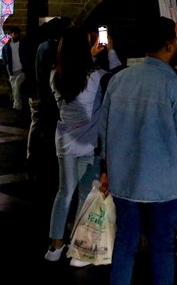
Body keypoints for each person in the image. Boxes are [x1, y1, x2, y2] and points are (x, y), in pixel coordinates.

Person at [98, 15, 177, 285]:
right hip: (164, 186)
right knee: (163, 247)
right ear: (170, 45)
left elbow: (105, 130)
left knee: (124, 244)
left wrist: (106, 169)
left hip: (125, 180)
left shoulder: (118, 81)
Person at [43, 26, 109, 266]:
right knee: (85, 194)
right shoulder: (98, 76)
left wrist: (89, 56)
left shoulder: (54, 74)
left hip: (65, 142)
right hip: (89, 145)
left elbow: (76, 73)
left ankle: (55, 245)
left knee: (64, 192)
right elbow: (110, 76)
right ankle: (78, 246)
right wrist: (108, 52)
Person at [27, 17, 70, 181]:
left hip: (39, 93)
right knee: (43, 127)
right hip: (46, 95)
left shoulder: (41, 46)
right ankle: (39, 159)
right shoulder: (52, 48)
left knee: (38, 125)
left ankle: (33, 158)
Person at [1, 25, 29, 110]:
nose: (15, 35)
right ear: (11, 34)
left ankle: (16, 104)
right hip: (12, 70)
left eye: (16, 34)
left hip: (21, 69)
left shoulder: (22, 45)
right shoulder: (6, 47)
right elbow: (4, 58)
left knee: (17, 85)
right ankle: (17, 104)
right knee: (15, 88)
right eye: (13, 34)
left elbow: (26, 56)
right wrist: (7, 66)